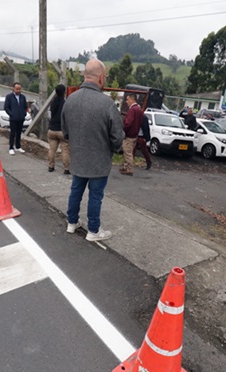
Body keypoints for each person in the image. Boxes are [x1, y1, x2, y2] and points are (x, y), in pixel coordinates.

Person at [61, 58, 124, 242]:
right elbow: (117, 137)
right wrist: (113, 149)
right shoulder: (107, 104)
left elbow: (65, 133)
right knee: (95, 196)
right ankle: (93, 230)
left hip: (78, 157)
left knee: (76, 190)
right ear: (101, 77)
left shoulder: (70, 100)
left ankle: (72, 223)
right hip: (99, 160)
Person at [47, 84, 70, 174]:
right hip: (62, 130)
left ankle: (51, 166)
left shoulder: (53, 102)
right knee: (65, 150)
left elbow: (49, 115)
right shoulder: (65, 103)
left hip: (52, 130)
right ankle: (66, 168)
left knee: (52, 149)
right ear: (64, 92)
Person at [120, 93, 143, 176]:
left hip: (129, 135)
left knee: (127, 152)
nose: (126, 101)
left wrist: (123, 129)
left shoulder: (132, 110)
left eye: (127, 99)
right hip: (135, 134)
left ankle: (129, 168)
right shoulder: (139, 110)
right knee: (129, 151)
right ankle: (126, 166)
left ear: (132, 99)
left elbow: (128, 123)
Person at [4, 82, 28, 155]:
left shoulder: (23, 97)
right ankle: (11, 147)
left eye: (19, 89)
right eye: (17, 89)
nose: (18, 90)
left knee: (19, 133)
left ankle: (18, 146)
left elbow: (25, 106)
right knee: (13, 133)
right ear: (13, 89)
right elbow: (6, 107)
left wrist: (24, 114)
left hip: (21, 118)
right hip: (13, 119)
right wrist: (11, 114)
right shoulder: (9, 97)